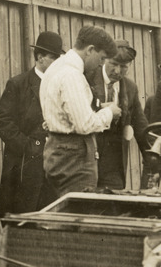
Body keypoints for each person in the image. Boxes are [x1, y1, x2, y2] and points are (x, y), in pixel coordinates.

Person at [39, 25, 120, 196]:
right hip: (74, 158)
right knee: (80, 208)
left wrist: (97, 110)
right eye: (101, 58)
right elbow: (84, 125)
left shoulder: (56, 67)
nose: (101, 64)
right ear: (90, 50)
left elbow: (60, 112)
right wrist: (109, 113)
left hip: (56, 150)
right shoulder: (72, 75)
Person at [0, 30, 62, 216]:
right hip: (22, 165)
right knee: (21, 216)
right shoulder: (18, 84)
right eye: (53, 58)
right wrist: (29, 146)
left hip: (52, 164)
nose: (58, 63)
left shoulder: (60, 86)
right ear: (40, 58)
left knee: (49, 215)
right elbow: (3, 122)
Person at [87, 39, 150, 189]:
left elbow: (141, 128)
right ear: (104, 59)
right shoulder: (86, 79)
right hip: (87, 159)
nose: (117, 71)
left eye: (123, 67)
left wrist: (153, 161)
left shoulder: (130, 88)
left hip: (114, 164)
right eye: (113, 64)